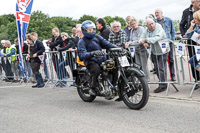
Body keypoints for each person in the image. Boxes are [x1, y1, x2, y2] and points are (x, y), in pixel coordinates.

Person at [78, 20, 118, 96]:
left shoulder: (97, 37)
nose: (91, 31)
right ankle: (92, 87)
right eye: (89, 30)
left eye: (92, 29)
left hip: (101, 59)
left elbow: (108, 44)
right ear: (84, 31)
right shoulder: (82, 41)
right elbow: (82, 54)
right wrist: (92, 53)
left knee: (114, 66)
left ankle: (113, 85)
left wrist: (118, 48)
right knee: (96, 69)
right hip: (90, 61)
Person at [140, 18, 168, 93]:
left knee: (161, 68)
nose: (152, 26)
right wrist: (143, 42)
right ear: (147, 25)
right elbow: (141, 38)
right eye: (149, 24)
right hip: (154, 51)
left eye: (152, 23)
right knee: (156, 68)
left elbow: (156, 38)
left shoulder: (159, 27)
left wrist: (146, 40)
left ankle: (163, 85)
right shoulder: (146, 30)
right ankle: (163, 82)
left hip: (162, 50)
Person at [180, 0, 200, 89]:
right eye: (198, 1)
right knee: (192, 60)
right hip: (192, 42)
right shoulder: (186, 12)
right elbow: (183, 27)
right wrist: (191, 26)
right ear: (193, 2)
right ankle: (197, 80)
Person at [155, 8, 176, 81]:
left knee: (170, 59)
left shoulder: (168, 20)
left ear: (161, 12)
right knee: (161, 62)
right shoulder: (154, 22)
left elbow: (173, 31)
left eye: (157, 12)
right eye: (155, 13)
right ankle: (163, 78)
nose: (156, 14)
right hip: (158, 44)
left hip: (168, 42)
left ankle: (172, 75)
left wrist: (172, 41)